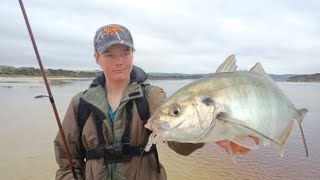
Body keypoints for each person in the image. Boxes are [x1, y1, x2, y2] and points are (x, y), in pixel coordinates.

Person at [54, 24, 258, 180]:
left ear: (133, 54)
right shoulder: (80, 103)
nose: (119, 61)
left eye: (125, 53)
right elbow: (66, 161)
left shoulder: (152, 96)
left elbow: (179, 145)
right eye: (109, 55)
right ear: (96, 57)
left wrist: (208, 130)